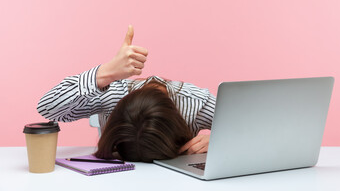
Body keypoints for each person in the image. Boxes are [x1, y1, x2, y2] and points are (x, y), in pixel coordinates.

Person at [37, 25, 216, 163]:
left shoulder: (194, 103)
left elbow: (244, 123)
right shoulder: (112, 94)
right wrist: (105, 73)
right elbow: (48, 108)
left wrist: (217, 142)